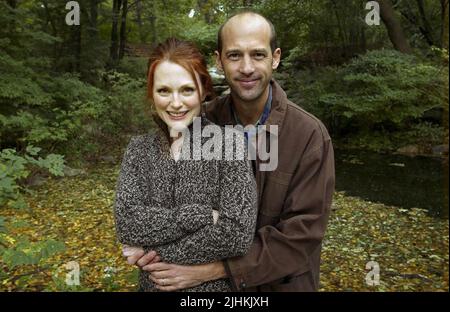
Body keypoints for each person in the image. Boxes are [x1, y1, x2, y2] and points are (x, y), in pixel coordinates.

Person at [128, 11, 335, 292]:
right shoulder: (198, 121)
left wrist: (211, 271)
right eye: (235, 55)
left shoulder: (309, 136)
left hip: (280, 287)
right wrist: (142, 246)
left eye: (258, 55)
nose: (246, 67)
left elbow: (302, 234)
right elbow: (159, 204)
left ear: (275, 58)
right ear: (219, 60)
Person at [114, 37, 258, 292]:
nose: (176, 103)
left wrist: (149, 251)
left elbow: (236, 234)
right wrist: (199, 215)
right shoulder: (138, 150)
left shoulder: (229, 145)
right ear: (151, 93)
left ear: (203, 91)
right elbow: (128, 223)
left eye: (187, 90)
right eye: (164, 91)